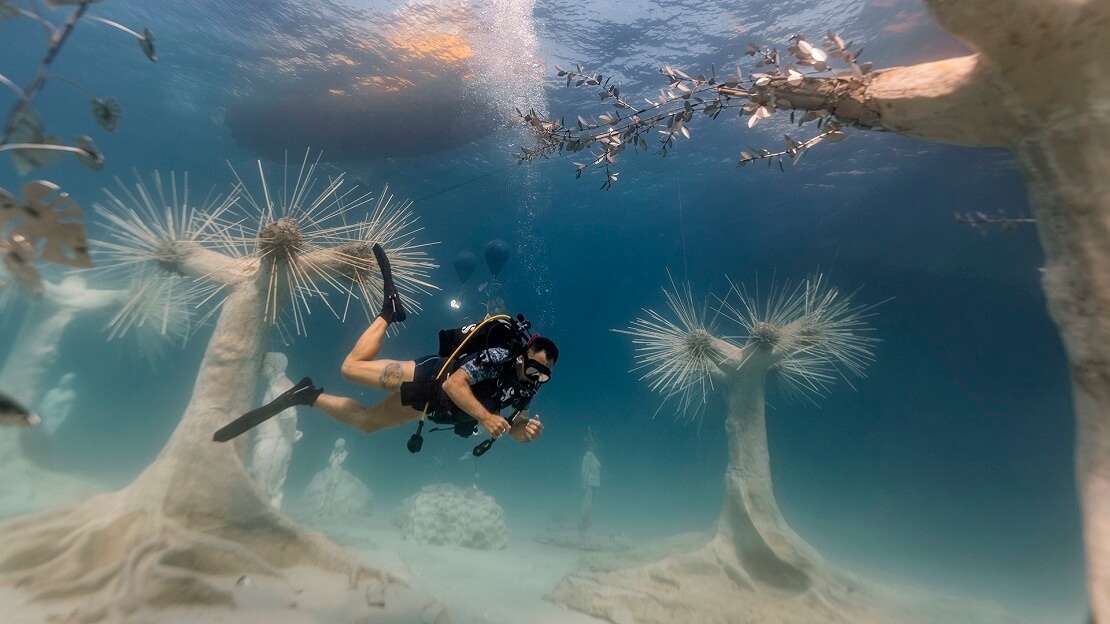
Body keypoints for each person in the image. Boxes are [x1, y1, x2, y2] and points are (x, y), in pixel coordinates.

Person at [230, 244, 555, 445]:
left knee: (367, 424)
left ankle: (306, 395)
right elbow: (457, 385)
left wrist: (522, 431)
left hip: (428, 404)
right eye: (534, 367)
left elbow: (513, 424)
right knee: (350, 370)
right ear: (523, 356)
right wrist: (485, 418)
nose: (536, 376)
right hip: (430, 378)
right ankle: (389, 311)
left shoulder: (529, 387)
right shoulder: (498, 356)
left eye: (544, 375)